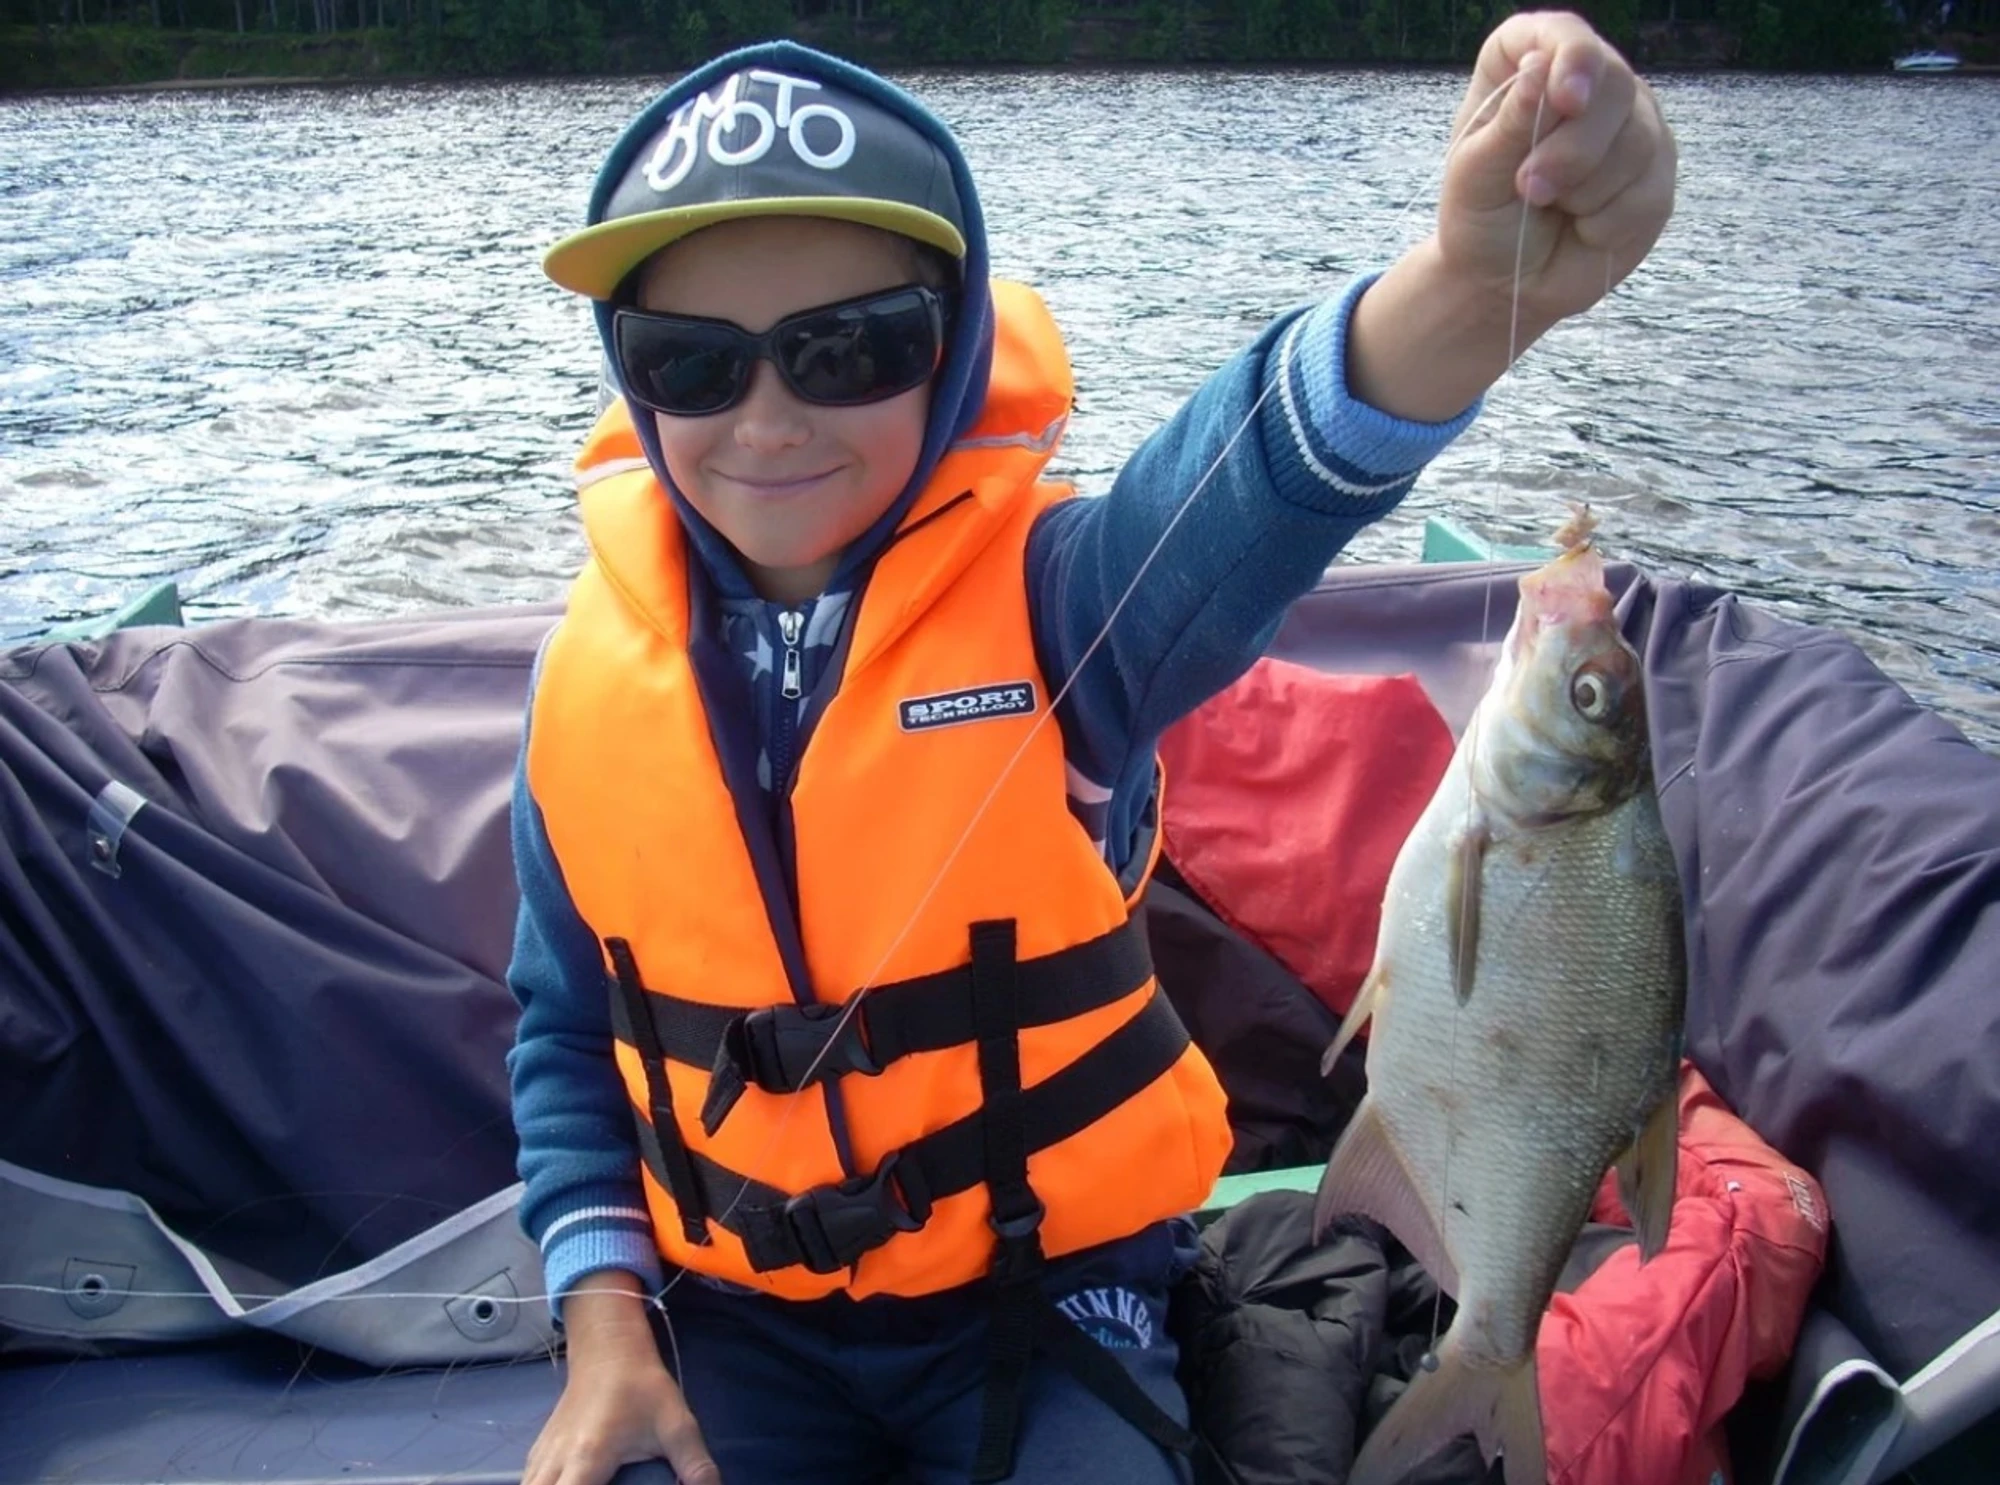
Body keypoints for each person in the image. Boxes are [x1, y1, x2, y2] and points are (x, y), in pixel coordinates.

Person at [508, 13, 1676, 1485]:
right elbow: (564, 1036)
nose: (770, 419)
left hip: (1050, 1296)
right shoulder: (581, 691)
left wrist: (1462, 290)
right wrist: (605, 1328)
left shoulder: (1069, 609)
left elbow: (1243, 494)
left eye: (850, 347)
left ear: (952, 350)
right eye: (692, 362)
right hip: (732, 1320)